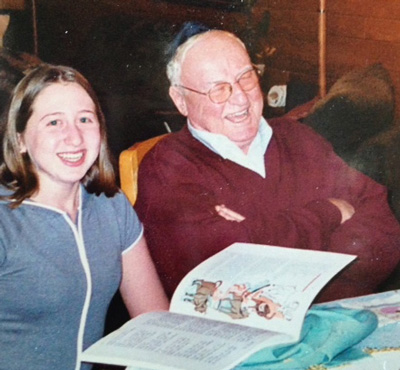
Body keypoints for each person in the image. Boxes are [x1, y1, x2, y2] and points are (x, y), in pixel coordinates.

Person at [135, 23, 400, 303]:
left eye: (246, 77)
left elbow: (382, 228)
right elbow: (227, 270)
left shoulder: (298, 138)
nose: (239, 97)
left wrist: (259, 234)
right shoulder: (168, 166)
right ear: (181, 100)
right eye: (218, 89)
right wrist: (330, 213)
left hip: (336, 315)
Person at [0, 64, 169, 370]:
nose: (74, 137)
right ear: (20, 139)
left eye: (84, 119)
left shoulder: (111, 206)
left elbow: (155, 322)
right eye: (53, 122)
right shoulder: (4, 221)